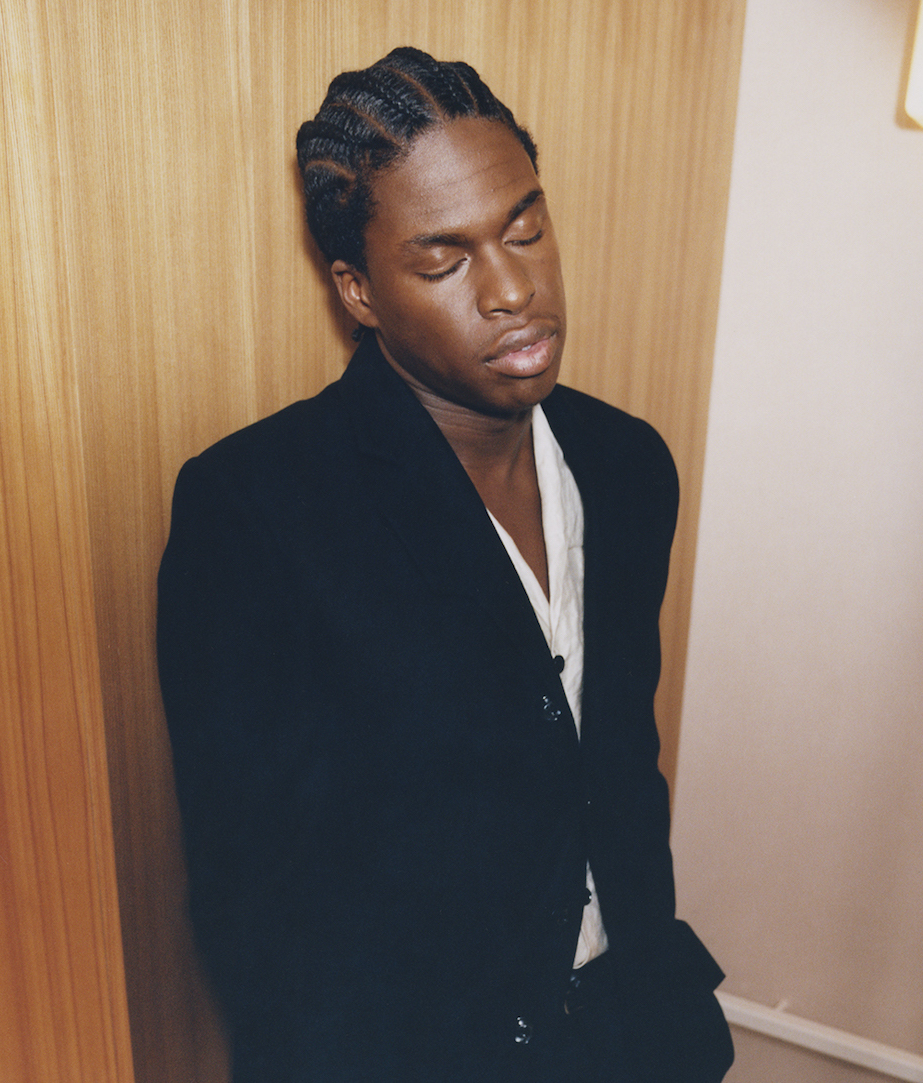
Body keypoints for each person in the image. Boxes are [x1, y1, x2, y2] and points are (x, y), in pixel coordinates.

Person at [157, 46, 733, 1083]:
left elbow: (617, 766)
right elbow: (255, 897)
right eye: (444, 261)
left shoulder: (627, 464)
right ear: (358, 289)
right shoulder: (256, 509)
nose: (513, 289)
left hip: (629, 1034)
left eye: (525, 229)